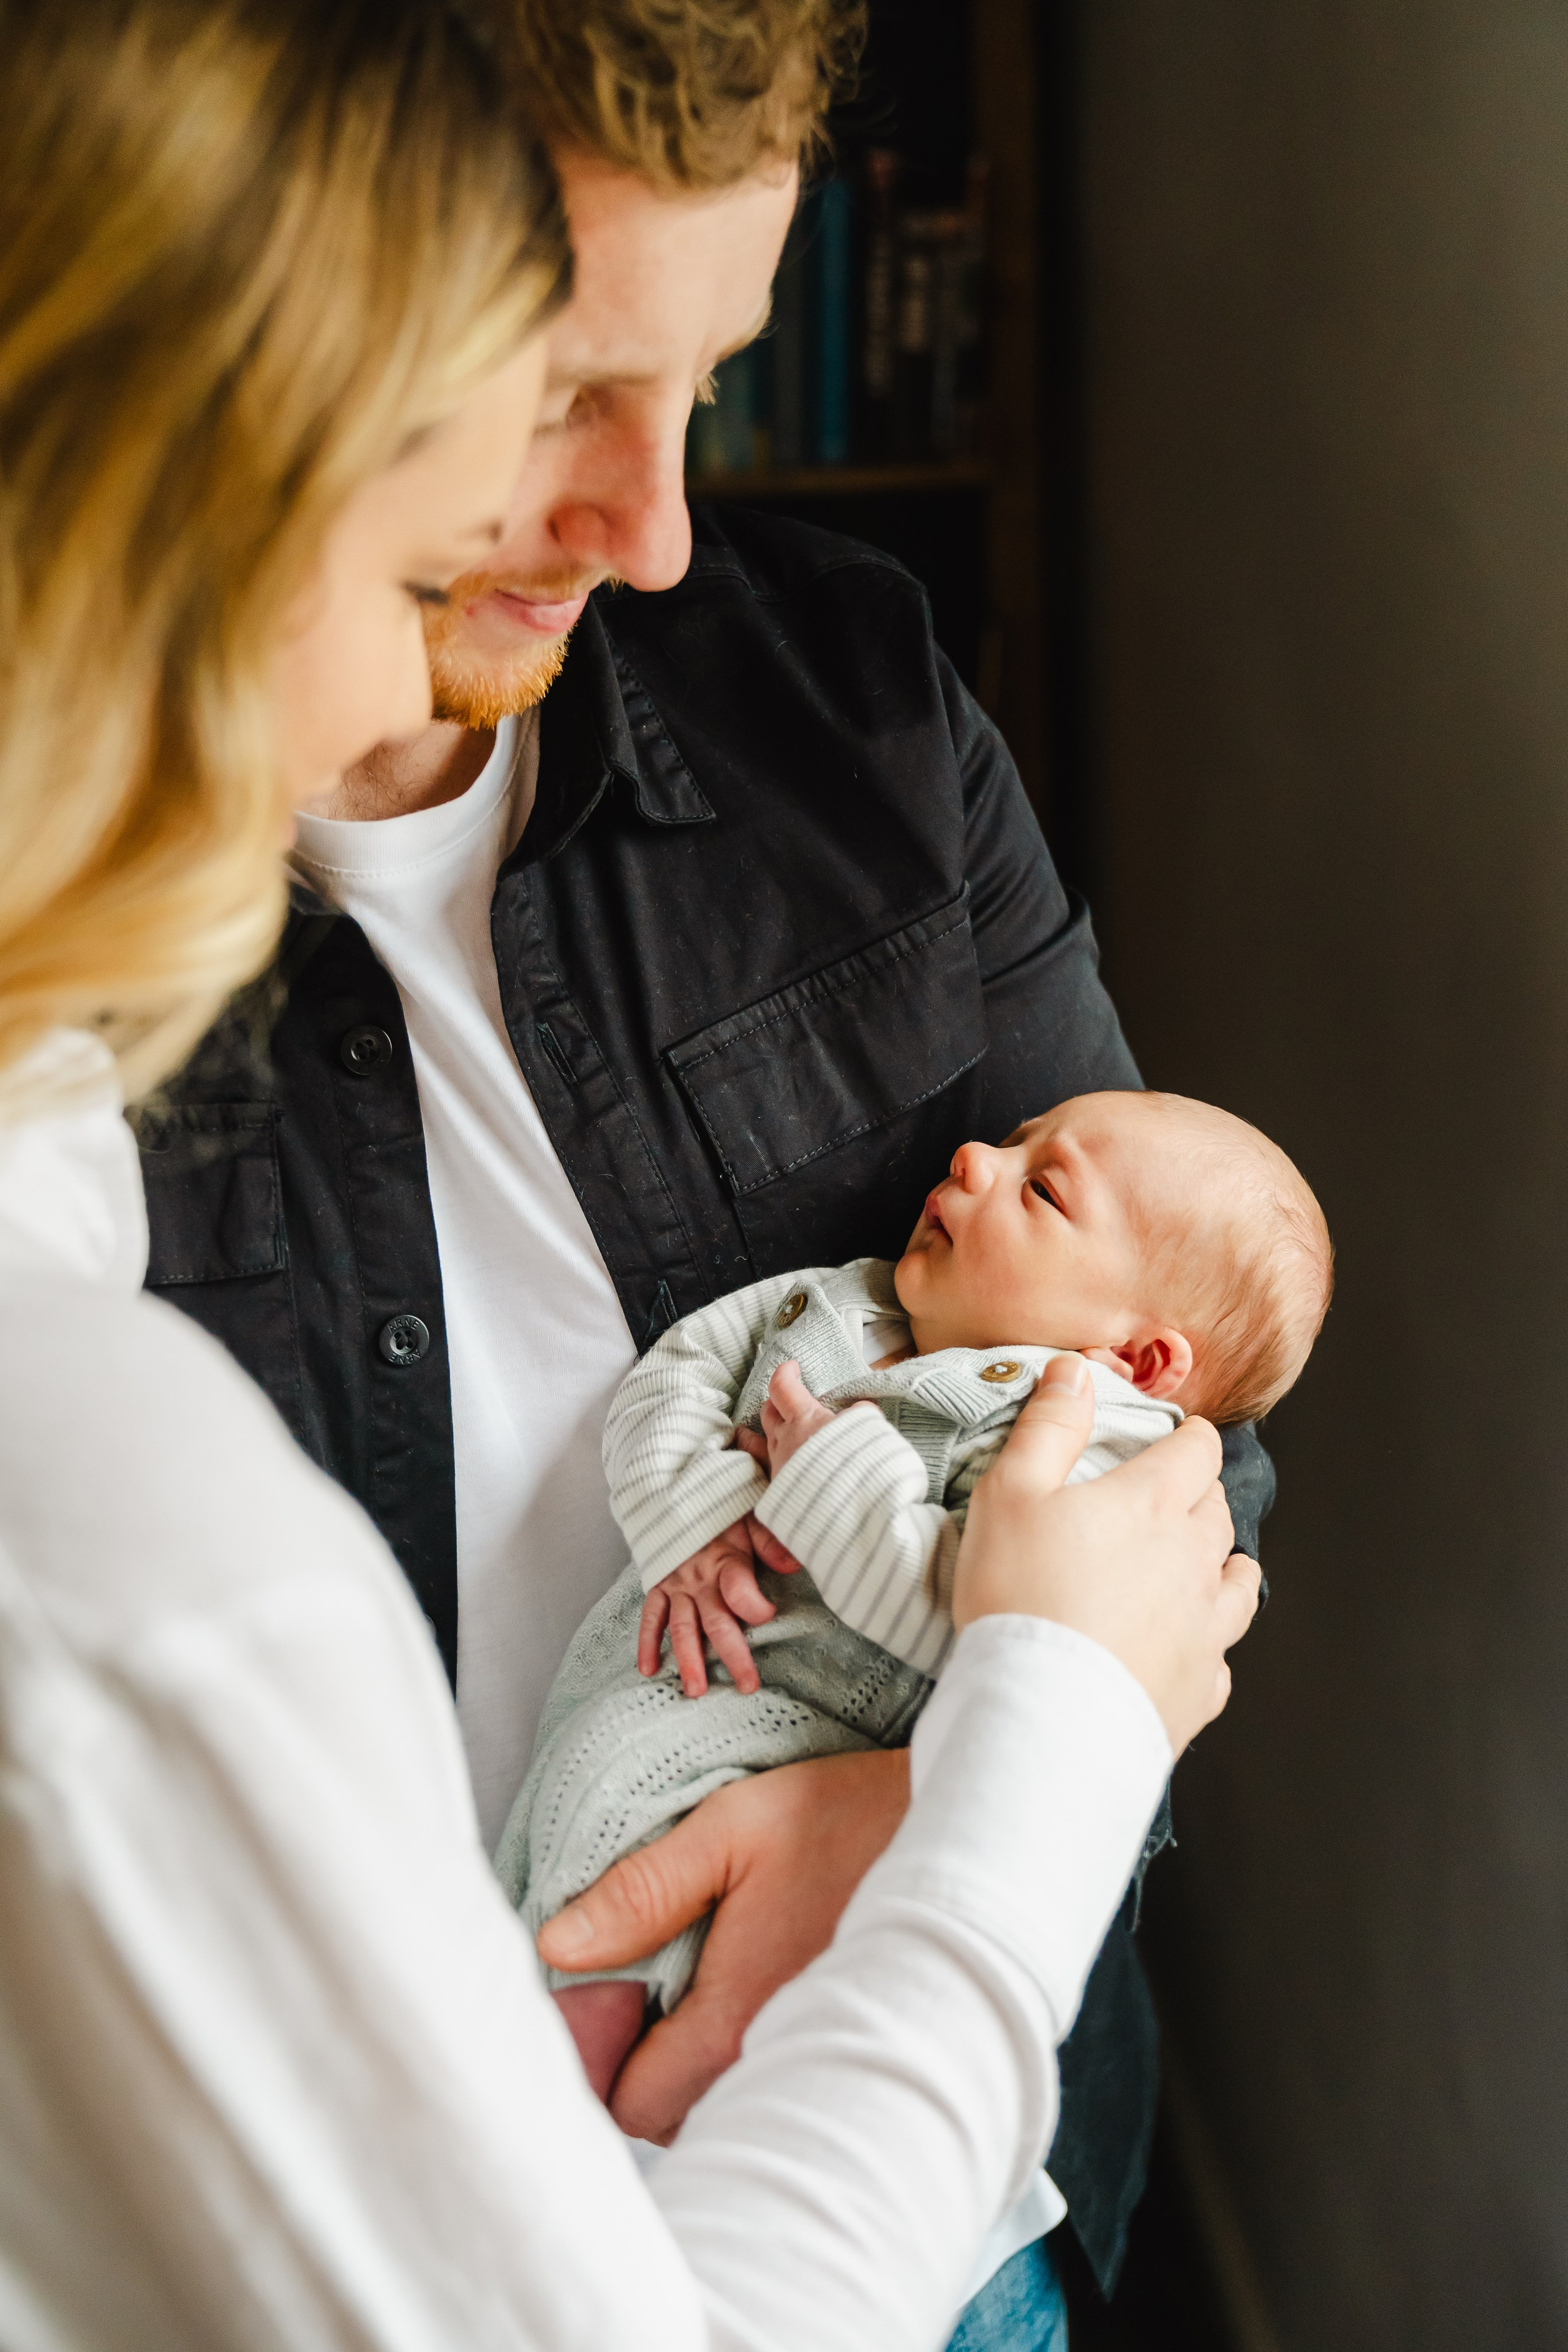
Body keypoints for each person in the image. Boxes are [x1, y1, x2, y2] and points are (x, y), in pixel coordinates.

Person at [0, 2, 1265, 2345]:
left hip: (953, 2184)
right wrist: (1030, 1753)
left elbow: (1181, 1416)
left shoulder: (856, 703)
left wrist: (920, 1807)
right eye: (555, 393)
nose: (654, 527)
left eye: (710, 381)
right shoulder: (117, 1510)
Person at [503, 1091, 1332, 2100]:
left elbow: (979, 1625)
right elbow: (678, 1373)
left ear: (1136, 1361)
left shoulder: (1089, 1454)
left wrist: (826, 1476)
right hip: (668, 1673)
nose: (977, 1157)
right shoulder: (842, 1301)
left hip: (819, 1752)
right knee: (561, 1826)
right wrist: (697, 1515)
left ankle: (566, 2092)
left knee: (617, 1818)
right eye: (1013, 1141)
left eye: (1045, 1191)